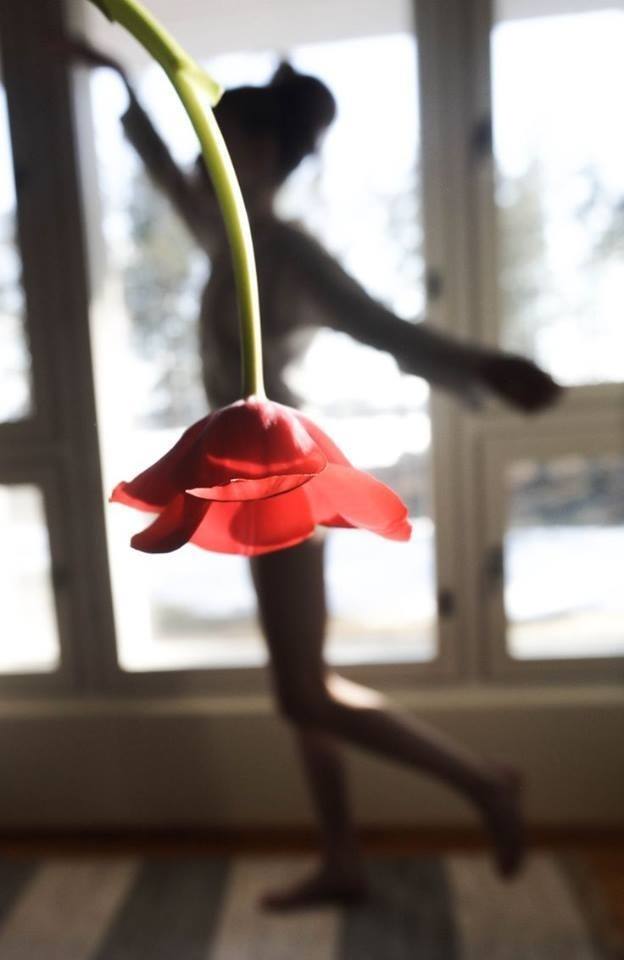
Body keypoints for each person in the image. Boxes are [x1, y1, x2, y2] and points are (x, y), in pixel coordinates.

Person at [72, 41, 562, 910]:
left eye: (214, 147)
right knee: (301, 685)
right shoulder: (226, 235)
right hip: (241, 470)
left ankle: (486, 783)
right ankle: (344, 857)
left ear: (257, 153)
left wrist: (487, 368)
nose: (200, 164)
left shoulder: (288, 256)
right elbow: (160, 169)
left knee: (302, 690)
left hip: (284, 473)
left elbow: (390, 333)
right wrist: (116, 82)